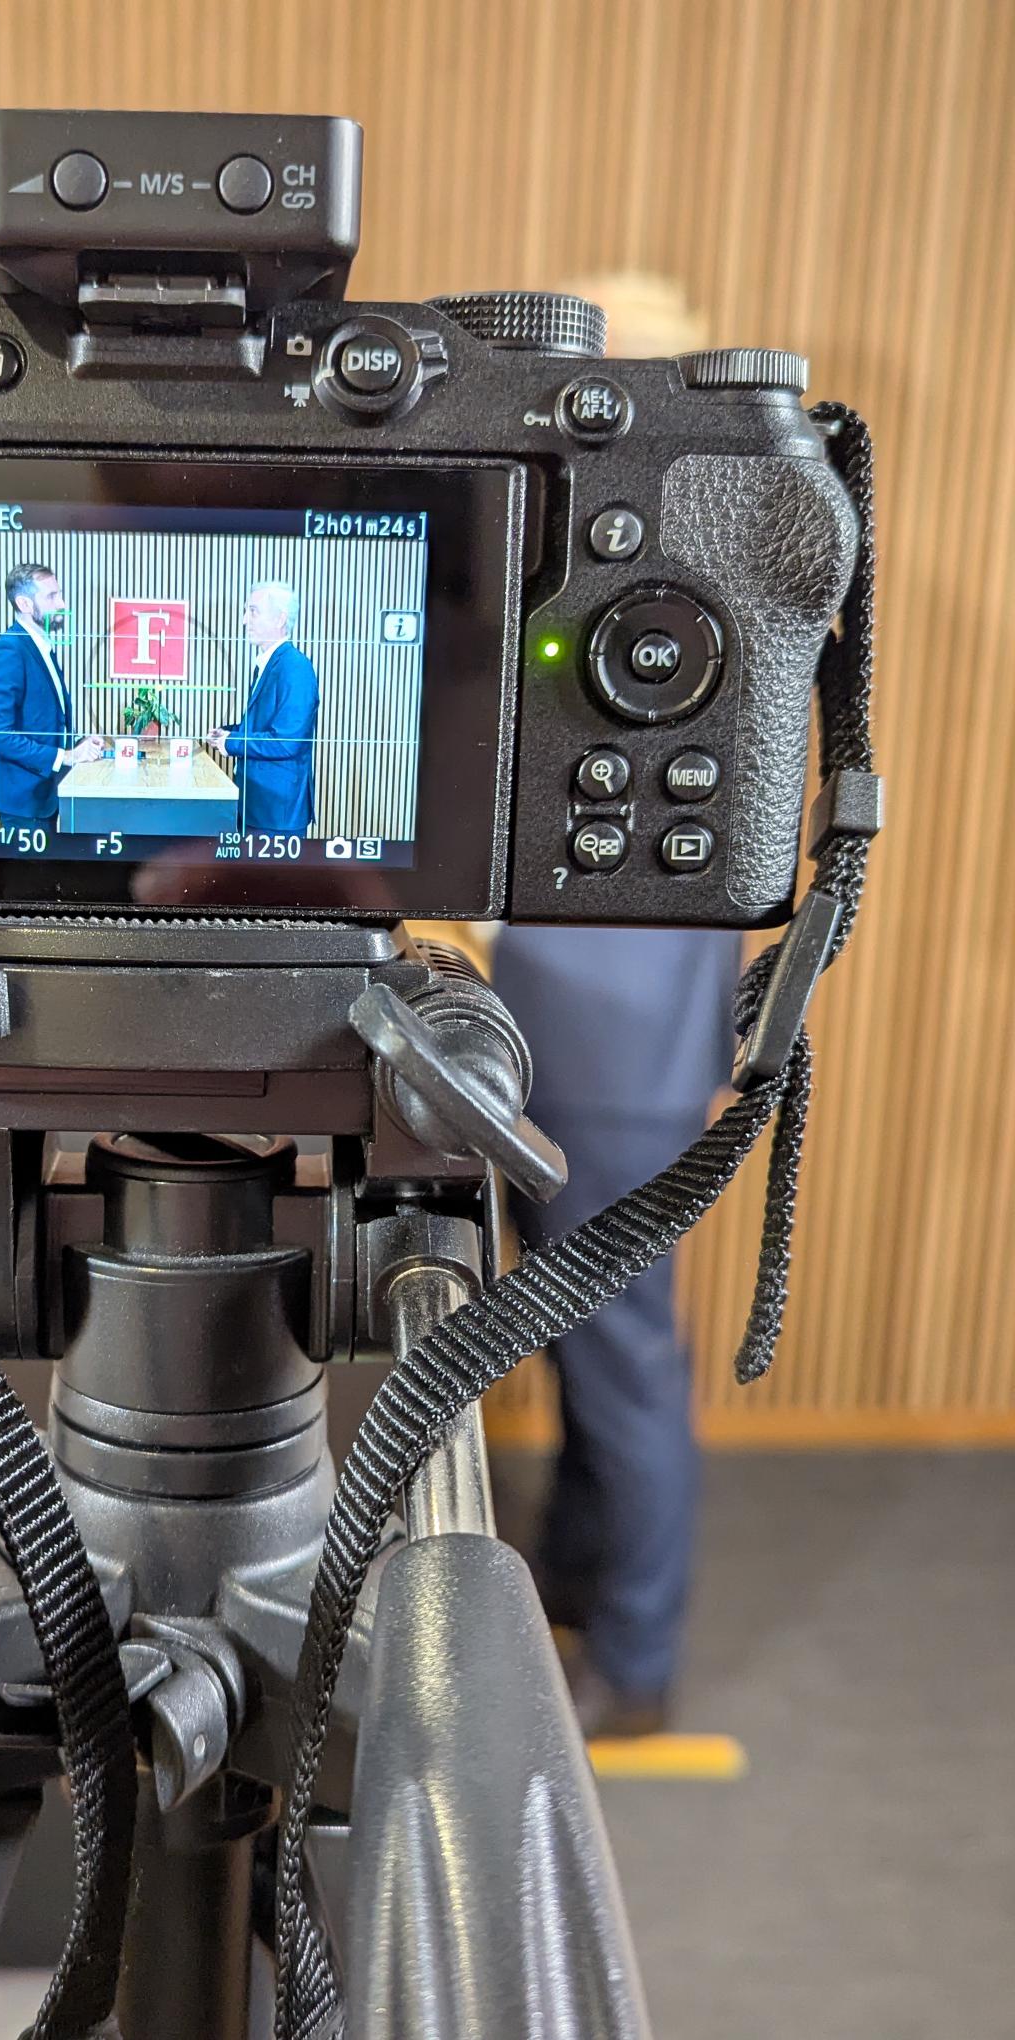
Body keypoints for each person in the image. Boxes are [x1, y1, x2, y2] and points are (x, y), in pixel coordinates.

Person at [490, 274, 743, 1740]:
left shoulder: (677, 587)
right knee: (594, 1343)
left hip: (617, 1037)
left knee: (625, 1354)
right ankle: (584, 1594)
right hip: (599, 1023)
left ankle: (637, 1665)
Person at [0, 562, 102, 828]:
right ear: (24, 603)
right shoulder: (9, 650)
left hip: (45, 795)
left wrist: (77, 745)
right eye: (52, 596)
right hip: (24, 801)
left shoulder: (40, 646)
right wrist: (67, 757)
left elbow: (43, 721)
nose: (62, 604)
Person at [207, 580, 319, 834]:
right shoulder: (270, 665)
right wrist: (229, 733)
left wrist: (232, 742)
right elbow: (265, 725)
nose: (245, 620)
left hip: (276, 814)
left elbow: (287, 741)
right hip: (257, 806)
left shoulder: (295, 668)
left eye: (253, 611)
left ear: (280, 619)